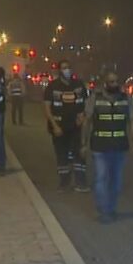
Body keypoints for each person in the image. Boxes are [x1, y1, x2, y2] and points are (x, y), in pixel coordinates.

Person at [84, 70, 133, 223]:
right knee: (101, 178)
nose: (114, 84)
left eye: (116, 81)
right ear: (105, 83)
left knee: (116, 181)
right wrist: (84, 143)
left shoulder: (126, 99)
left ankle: (110, 208)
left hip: (119, 146)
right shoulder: (95, 98)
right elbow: (87, 121)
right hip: (100, 146)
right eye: (111, 82)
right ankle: (104, 210)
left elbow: (132, 120)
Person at [44, 59, 88, 192]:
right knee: (62, 155)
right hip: (59, 127)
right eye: (64, 68)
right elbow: (47, 108)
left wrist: (83, 116)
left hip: (76, 126)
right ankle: (64, 183)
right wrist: (54, 126)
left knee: (78, 154)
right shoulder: (52, 86)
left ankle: (80, 182)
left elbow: (86, 103)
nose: (67, 70)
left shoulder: (79, 85)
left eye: (68, 67)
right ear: (59, 70)